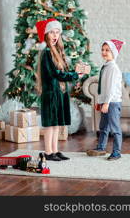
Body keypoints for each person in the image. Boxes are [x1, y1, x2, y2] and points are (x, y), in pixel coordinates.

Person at [36, 18, 85, 161]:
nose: (55, 35)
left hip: (59, 93)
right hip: (50, 94)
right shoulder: (46, 53)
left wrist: (76, 71)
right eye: (52, 32)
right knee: (50, 125)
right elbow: (56, 74)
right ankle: (48, 152)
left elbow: (63, 71)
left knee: (56, 124)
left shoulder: (57, 51)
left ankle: (55, 151)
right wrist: (75, 75)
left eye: (57, 32)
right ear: (46, 34)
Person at [86, 39, 125, 160]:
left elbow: (112, 89)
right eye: (102, 50)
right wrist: (99, 102)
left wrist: (107, 103)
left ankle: (116, 152)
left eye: (107, 50)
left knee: (115, 128)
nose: (104, 52)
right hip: (106, 102)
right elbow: (103, 88)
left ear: (113, 52)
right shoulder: (106, 66)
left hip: (112, 102)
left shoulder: (113, 68)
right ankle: (101, 147)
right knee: (103, 127)